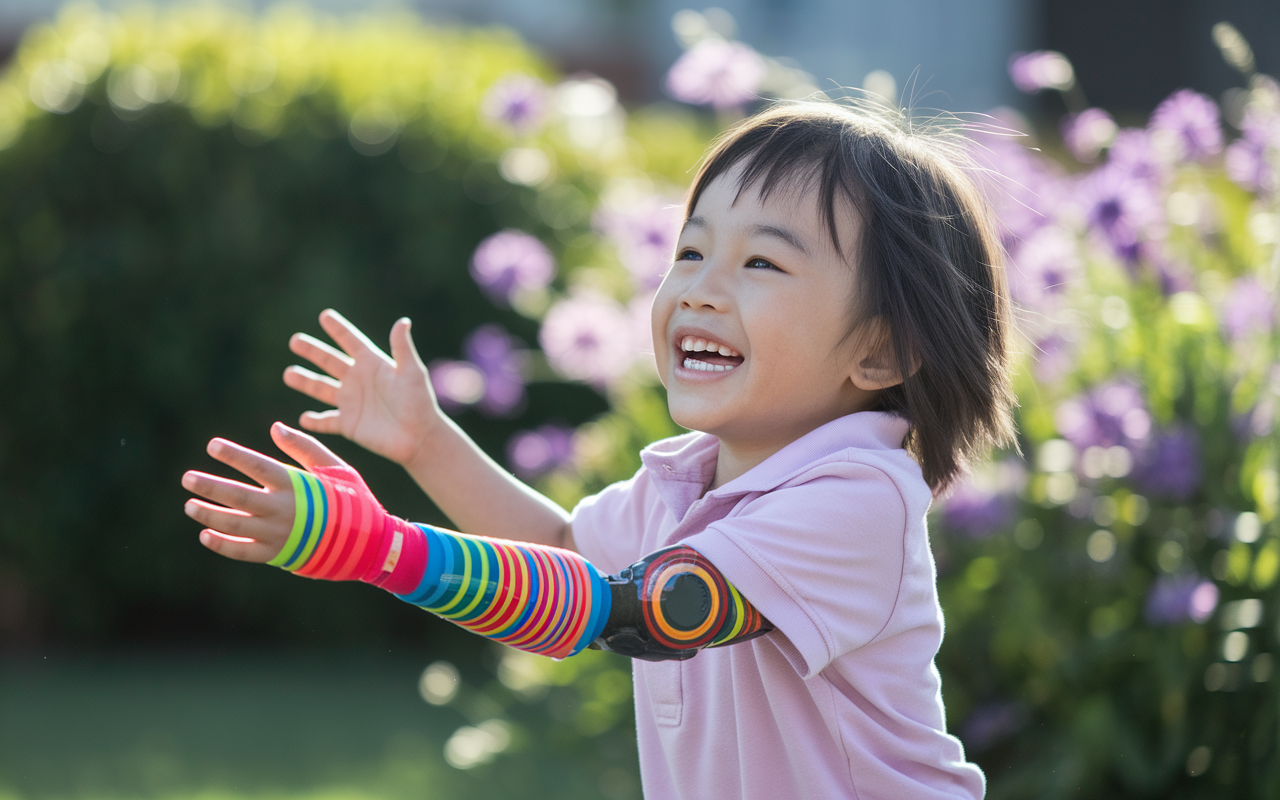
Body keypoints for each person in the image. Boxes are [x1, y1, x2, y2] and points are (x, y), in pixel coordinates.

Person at [182, 100, 1016, 798]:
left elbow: (631, 613)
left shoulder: (858, 496)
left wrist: (381, 549)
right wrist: (427, 444)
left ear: (877, 353)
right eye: (689, 251)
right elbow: (557, 553)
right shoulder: (681, 486)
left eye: (761, 261)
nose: (698, 287)